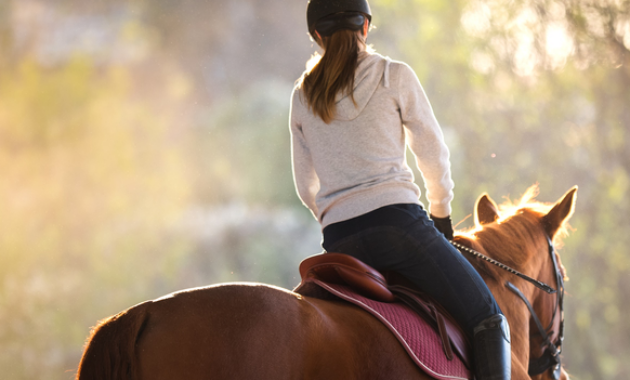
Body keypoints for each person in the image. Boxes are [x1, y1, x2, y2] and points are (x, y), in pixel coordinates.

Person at [289, 0, 511, 379]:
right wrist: (440, 215)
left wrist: (337, 217)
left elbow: (305, 187)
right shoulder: (394, 75)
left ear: (317, 36)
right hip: (400, 229)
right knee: (488, 317)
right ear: (365, 27)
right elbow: (434, 155)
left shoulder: (302, 96)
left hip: (340, 243)